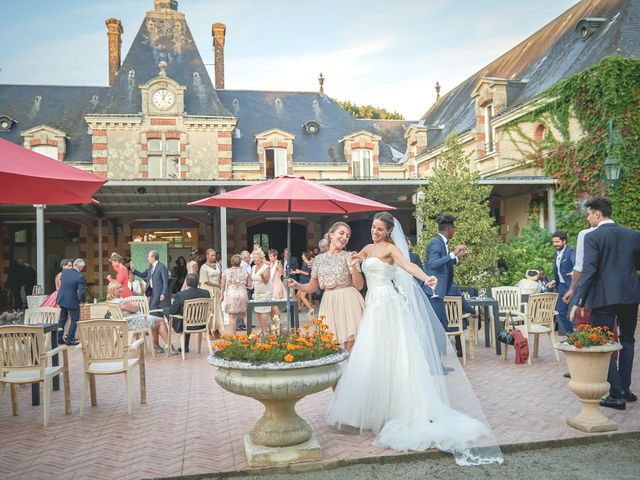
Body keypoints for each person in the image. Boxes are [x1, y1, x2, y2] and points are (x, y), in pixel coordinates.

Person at [327, 212, 502, 465]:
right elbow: (356, 264)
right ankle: (373, 411)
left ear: (388, 231)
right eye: (373, 227)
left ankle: (400, 410)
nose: (374, 232)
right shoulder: (367, 247)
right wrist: (353, 262)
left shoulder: (391, 249)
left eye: (379, 229)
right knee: (372, 356)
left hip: (388, 304)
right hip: (372, 305)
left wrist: (426, 277)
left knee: (396, 354)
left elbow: (408, 266)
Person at [571, 196, 640, 410]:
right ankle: (625, 388)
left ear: (598, 214)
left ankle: (616, 393)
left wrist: (578, 300)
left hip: (603, 298)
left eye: (589, 214)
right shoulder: (633, 235)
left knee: (603, 343)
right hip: (630, 296)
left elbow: (589, 270)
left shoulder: (593, 236)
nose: (588, 218)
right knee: (628, 340)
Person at [288, 222, 365, 352]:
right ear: (331, 235)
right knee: (329, 343)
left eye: (347, 235)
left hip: (348, 300)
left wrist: (352, 266)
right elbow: (312, 287)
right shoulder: (318, 259)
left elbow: (359, 286)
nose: (345, 237)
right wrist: (298, 285)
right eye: (341, 233)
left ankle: (350, 371)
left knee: (350, 344)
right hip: (329, 302)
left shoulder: (349, 256)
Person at [424, 214, 468, 356]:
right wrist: (452, 253)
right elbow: (433, 263)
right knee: (438, 326)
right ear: (449, 229)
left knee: (441, 325)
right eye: (454, 228)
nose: (454, 231)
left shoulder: (441, 242)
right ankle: (435, 358)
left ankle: (438, 358)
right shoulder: (436, 243)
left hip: (438, 291)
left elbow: (443, 263)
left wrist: (456, 257)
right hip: (433, 291)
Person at [107, 281, 168, 354]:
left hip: (126, 323)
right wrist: (134, 306)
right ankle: (169, 347)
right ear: (112, 291)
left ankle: (156, 345)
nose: (120, 289)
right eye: (117, 288)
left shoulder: (112, 301)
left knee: (155, 322)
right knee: (160, 321)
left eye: (120, 287)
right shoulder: (121, 302)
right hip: (133, 323)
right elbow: (136, 308)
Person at [164, 273, 211, 354]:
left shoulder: (181, 294)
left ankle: (171, 343)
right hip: (202, 324)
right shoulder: (206, 293)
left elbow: (172, 311)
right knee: (186, 315)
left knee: (166, 310)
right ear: (198, 282)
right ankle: (185, 347)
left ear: (186, 282)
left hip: (186, 324)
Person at [546, 231, 575, 334]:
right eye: (553, 242)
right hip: (561, 287)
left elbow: (576, 264)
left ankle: (579, 335)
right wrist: (554, 281)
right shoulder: (557, 253)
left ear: (564, 241)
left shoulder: (571, 252)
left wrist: (574, 271)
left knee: (574, 312)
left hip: (572, 286)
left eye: (557, 242)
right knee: (561, 312)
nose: (555, 244)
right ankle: (571, 336)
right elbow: (559, 271)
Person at [56, 258, 86, 346]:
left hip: (62, 298)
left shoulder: (64, 272)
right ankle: (70, 339)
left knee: (62, 318)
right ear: (80, 267)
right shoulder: (79, 276)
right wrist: (83, 301)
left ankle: (59, 338)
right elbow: (81, 292)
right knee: (74, 319)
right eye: (82, 268)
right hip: (72, 300)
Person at [220, 254, 249, 335]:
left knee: (232, 317)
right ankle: (250, 336)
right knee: (245, 315)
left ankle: (233, 337)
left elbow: (222, 285)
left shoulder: (226, 271)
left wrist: (222, 294)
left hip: (231, 294)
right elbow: (249, 284)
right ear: (240, 262)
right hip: (242, 293)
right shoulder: (244, 271)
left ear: (231, 262)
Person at [199, 248, 225, 336]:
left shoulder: (217, 265)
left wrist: (221, 288)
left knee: (217, 309)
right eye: (212, 255)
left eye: (214, 255)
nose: (213, 257)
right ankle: (209, 330)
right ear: (207, 256)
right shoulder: (203, 267)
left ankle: (216, 328)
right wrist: (217, 285)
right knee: (210, 310)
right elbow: (205, 280)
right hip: (208, 290)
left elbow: (219, 276)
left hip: (216, 290)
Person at [249, 249, 271, 333]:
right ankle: (263, 330)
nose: (255, 260)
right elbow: (251, 278)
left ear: (261, 259)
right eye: (254, 258)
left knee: (263, 312)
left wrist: (262, 276)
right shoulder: (253, 267)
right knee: (257, 312)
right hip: (257, 292)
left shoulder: (266, 267)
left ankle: (265, 331)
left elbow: (266, 281)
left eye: (256, 258)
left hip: (266, 292)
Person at [268, 249, 287, 317]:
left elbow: (281, 273)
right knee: (271, 305)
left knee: (274, 303)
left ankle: (278, 322)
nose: (270, 258)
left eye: (271, 256)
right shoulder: (272, 264)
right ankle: (273, 322)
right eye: (269, 256)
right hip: (271, 284)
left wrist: (280, 266)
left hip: (276, 284)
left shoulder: (278, 263)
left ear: (275, 256)